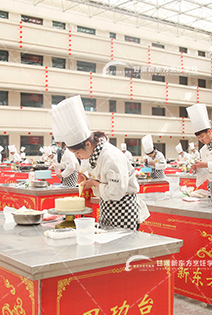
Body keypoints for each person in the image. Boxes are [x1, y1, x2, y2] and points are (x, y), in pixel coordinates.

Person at [52, 95, 148, 230]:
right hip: (108, 208)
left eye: (78, 153)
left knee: (122, 245)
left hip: (123, 210)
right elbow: (101, 177)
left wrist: (93, 183)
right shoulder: (94, 155)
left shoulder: (111, 157)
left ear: (87, 144)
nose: (78, 157)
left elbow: (116, 192)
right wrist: (86, 178)